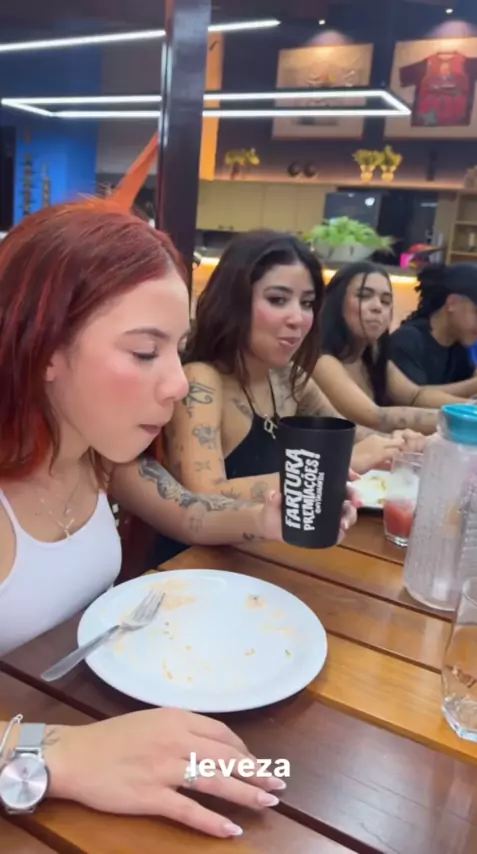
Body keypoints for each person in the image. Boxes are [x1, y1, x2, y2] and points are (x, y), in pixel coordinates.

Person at [0, 203, 358, 836]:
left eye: (177, 348)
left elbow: (189, 516)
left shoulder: (96, 455)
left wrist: (265, 518)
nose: (176, 383)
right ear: (44, 348)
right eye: (145, 351)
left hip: (103, 715)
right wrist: (57, 750)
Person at [163, 231, 425, 507]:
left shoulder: (288, 377)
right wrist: (339, 465)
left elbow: (352, 438)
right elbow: (202, 494)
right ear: (234, 301)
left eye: (307, 303)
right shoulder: (202, 379)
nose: (298, 318)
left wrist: (401, 444)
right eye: (277, 300)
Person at [312, 260, 469, 435]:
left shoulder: (372, 356)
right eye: (364, 296)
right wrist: (464, 420)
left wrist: (470, 408)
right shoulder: (321, 361)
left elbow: (415, 395)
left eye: (385, 301)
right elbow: (375, 417)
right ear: (336, 302)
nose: (377, 307)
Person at [389, 263, 477, 396]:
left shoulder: (458, 345)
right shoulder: (408, 340)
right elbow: (413, 398)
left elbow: (474, 375)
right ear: (453, 303)